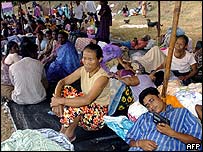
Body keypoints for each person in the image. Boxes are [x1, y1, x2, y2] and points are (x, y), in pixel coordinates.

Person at [50, 42, 111, 142]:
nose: (86, 62)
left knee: (77, 102)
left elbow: (87, 100)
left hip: (97, 116)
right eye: (84, 58)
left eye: (90, 59)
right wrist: (57, 99)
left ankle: (69, 134)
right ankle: (64, 129)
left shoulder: (102, 77)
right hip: (86, 109)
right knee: (66, 90)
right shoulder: (83, 70)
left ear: (99, 59)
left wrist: (60, 101)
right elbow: (62, 82)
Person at [125, 87, 202, 151]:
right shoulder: (144, 118)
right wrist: (139, 143)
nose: (151, 107)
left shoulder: (182, 113)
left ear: (160, 96)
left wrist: (173, 133)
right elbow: (129, 140)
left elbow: (198, 144)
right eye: (147, 106)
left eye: (151, 100)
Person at [9, 37, 48, 104]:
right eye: (36, 52)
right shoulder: (39, 64)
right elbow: (43, 79)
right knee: (44, 81)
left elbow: (13, 83)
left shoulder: (12, 67)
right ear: (31, 53)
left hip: (20, 100)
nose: (37, 54)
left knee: (5, 88)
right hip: (39, 97)